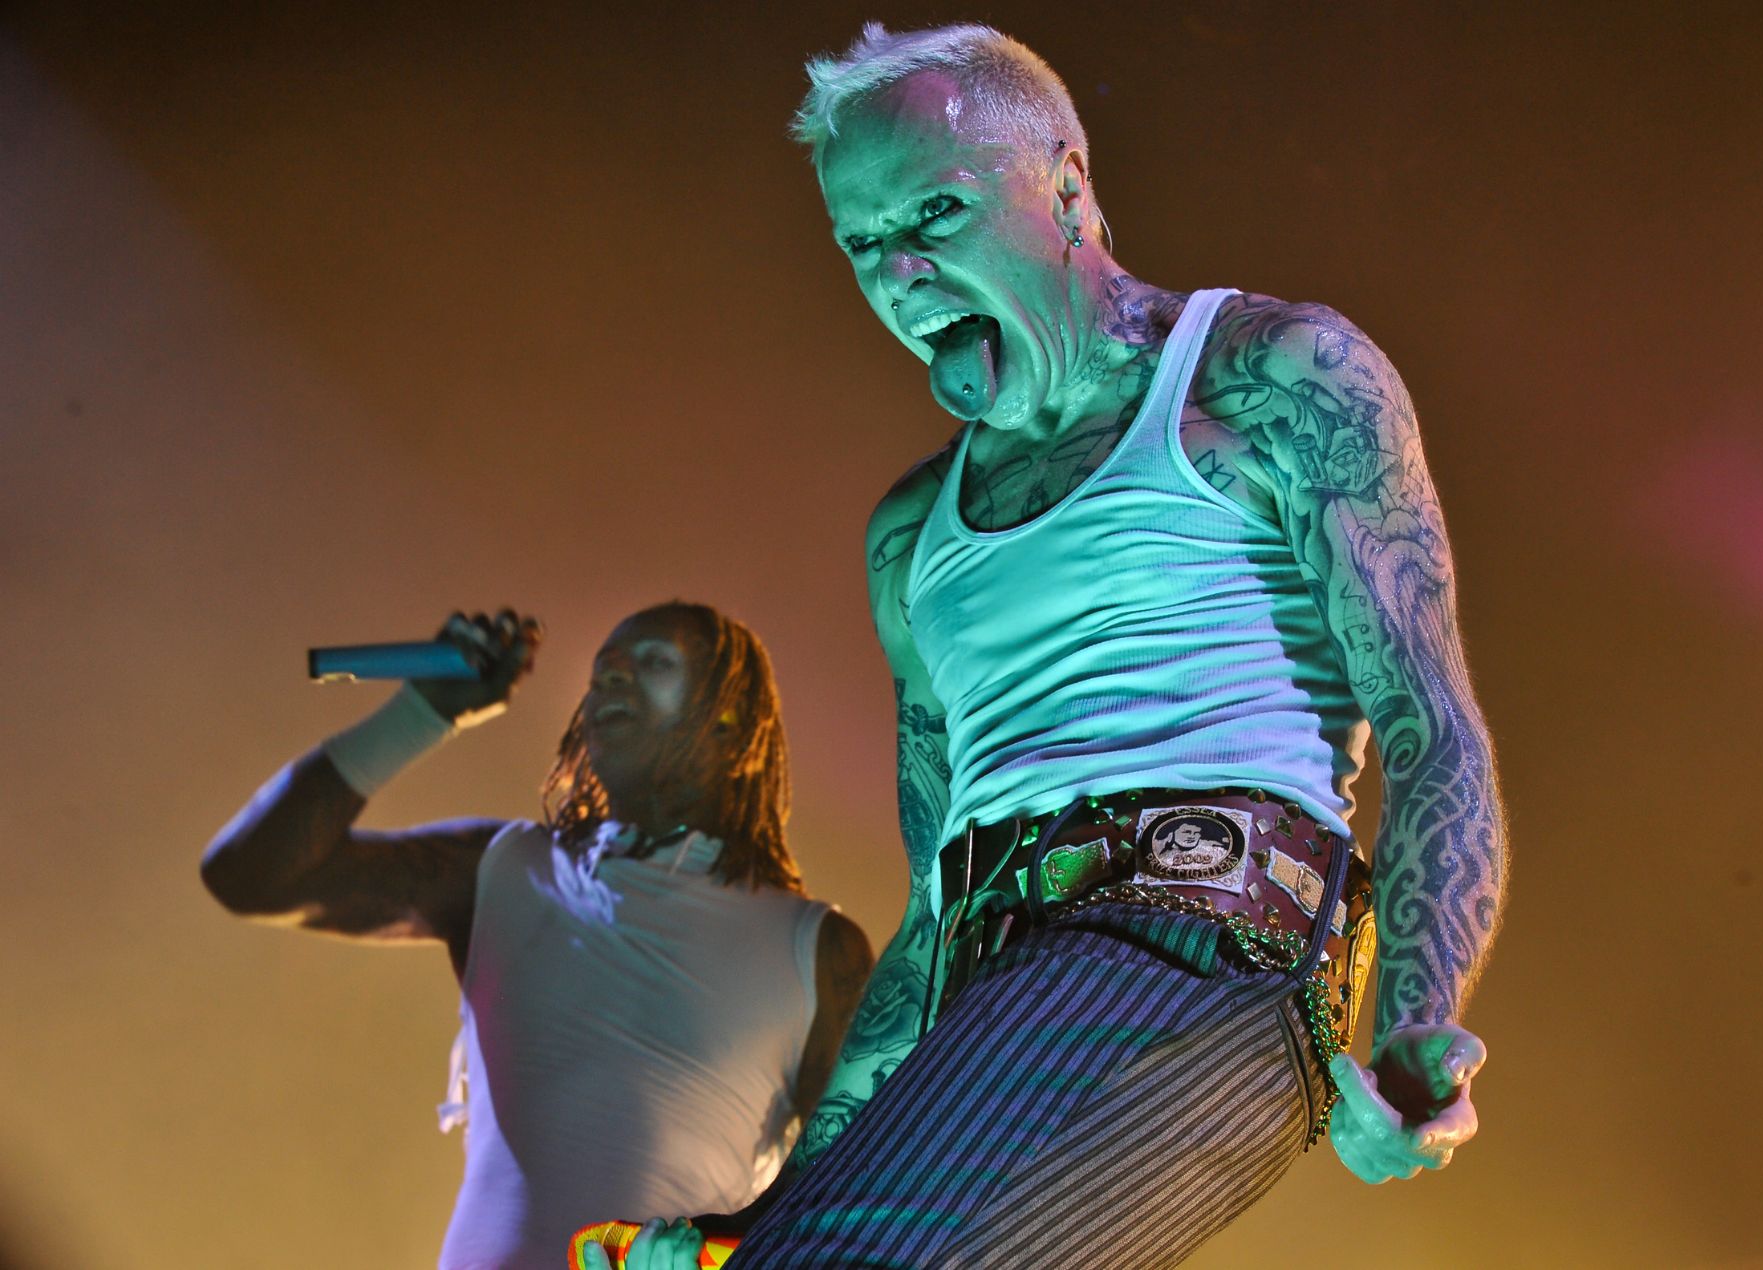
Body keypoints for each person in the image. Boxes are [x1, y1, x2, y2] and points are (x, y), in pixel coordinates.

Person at [604, 22, 1509, 1270]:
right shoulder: (911, 536)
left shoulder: (1267, 377)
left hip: (1202, 949)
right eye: (861, 244)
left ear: (1067, 188)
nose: (899, 274)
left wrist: (1414, 1016)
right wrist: (779, 1210)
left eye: (934, 213)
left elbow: (1428, 731)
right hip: (998, 992)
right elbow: (931, 921)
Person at [201, 603, 872, 1269]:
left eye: (654, 663)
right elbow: (250, 875)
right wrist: (421, 713)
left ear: (732, 723)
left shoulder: (817, 951)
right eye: (604, 670)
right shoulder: (504, 868)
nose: (612, 679)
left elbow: (855, 1198)